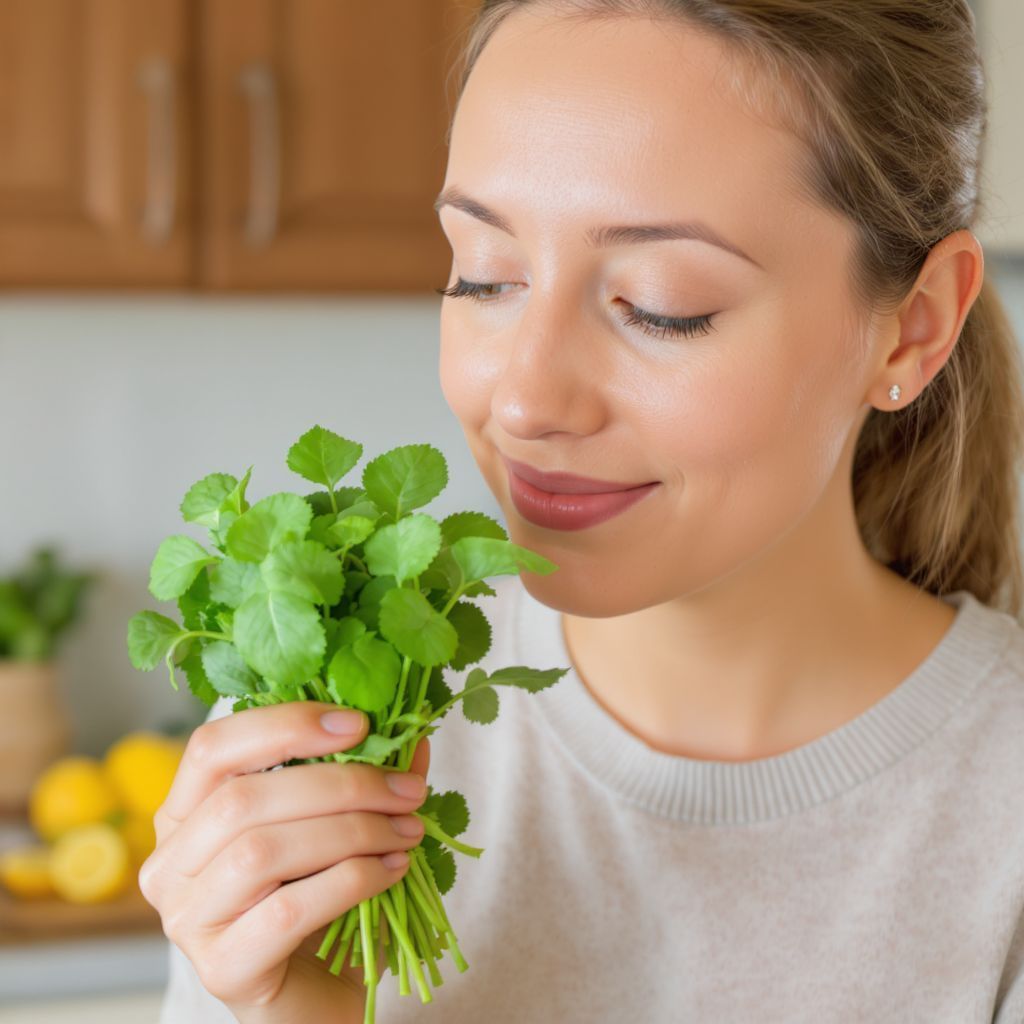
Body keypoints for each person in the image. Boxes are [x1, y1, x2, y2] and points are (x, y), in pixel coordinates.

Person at [148, 1, 1024, 1021]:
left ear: (911, 329)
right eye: (482, 276)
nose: (523, 400)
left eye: (660, 302)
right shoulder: (325, 730)